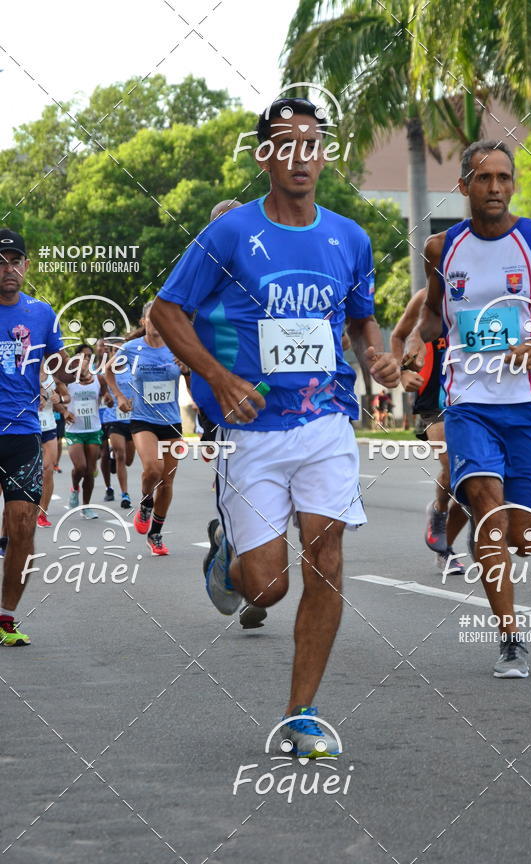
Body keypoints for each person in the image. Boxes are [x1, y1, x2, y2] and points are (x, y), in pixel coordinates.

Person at [151, 97, 400, 756]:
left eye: (310, 144)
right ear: (265, 156)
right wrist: (219, 378)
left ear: (323, 155)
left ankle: (301, 713)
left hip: (325, 420)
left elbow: (361, 319)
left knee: (326, 556)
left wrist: (375, 356)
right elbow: (168, 310)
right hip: (253, 430)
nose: (299, 157)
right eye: (285, 144)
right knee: (267, 584)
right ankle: (227, 557)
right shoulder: (229, 234)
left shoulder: (351, 238)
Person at [403, 140, 531, 678]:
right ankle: (510, 640)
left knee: (524, 538)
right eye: (483, 178)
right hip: (468, 402)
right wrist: (415, 341)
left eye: (504, 177)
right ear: (463, 186)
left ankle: (465, 520)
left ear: (514, 184)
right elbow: (433, 314)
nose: (495, 187)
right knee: (489, 510)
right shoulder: (441, 248)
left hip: (526, 403)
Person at [0, 228, 74, 646]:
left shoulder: (42, 314)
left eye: (15, 262)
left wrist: (72, 372)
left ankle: (5, 618)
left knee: (23, 525)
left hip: (23, 432)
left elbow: (60, 365)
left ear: (26, 267)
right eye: (0, 263)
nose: (8, 269)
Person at [391, 288, 467, 574]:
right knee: (454, 467)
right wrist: (403, 371)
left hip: (477, 394)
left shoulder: (492, 288)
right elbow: (398, 336)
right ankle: (439, 511)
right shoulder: (427, 296)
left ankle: (446, 547)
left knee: (473, 482)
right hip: (436, 397)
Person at [105, 300, 186, 556]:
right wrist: (119, 396)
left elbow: (193, 382)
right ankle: (145, 503)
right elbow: (108, 371)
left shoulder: (177, 347)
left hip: (171, 421)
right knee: (153, 468)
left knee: (167, 482)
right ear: (144, 321)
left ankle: (156, 534)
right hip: (143, 419)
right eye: (153, 318)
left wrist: (187, 371)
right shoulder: (131, 348)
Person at [64, 343, 113, 519]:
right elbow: (58, 401)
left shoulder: (99, 379)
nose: (84, 362)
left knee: (90, 470)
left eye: (87, 359)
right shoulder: (68, 381)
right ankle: (75, 488)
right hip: (74, 431)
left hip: (93, 430)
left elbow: (106, 397)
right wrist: (64, 412)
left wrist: (108, 400)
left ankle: (86, 507)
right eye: (81, 358)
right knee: (80, 467)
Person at [104, 338, 135, 510]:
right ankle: (125, 494)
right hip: (114, 418)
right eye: (114, 350)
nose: (118, 354)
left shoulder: (133, 369)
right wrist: (108, 399)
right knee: (121, 455)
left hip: (133, 419)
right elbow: (103, 395)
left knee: (128, 460)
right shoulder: (106, 372)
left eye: (120, 350)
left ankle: (112, 457)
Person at [37, 373, 64, 527]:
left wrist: (59, 398)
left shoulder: (53, 375)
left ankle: (42, 513)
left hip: (49, 427)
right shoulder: (23, 371)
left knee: (48, 470)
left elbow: (65, 396)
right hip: (28, 428)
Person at [96, 338, 116, 502]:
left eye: (107, 346)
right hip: (98, 415)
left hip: (116, 414)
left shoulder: (118, 366)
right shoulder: (90, 368)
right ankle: (108, 487)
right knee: (102, 453)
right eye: (101, 346)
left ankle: (115, 457)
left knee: (119, 451)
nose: (104, 349)